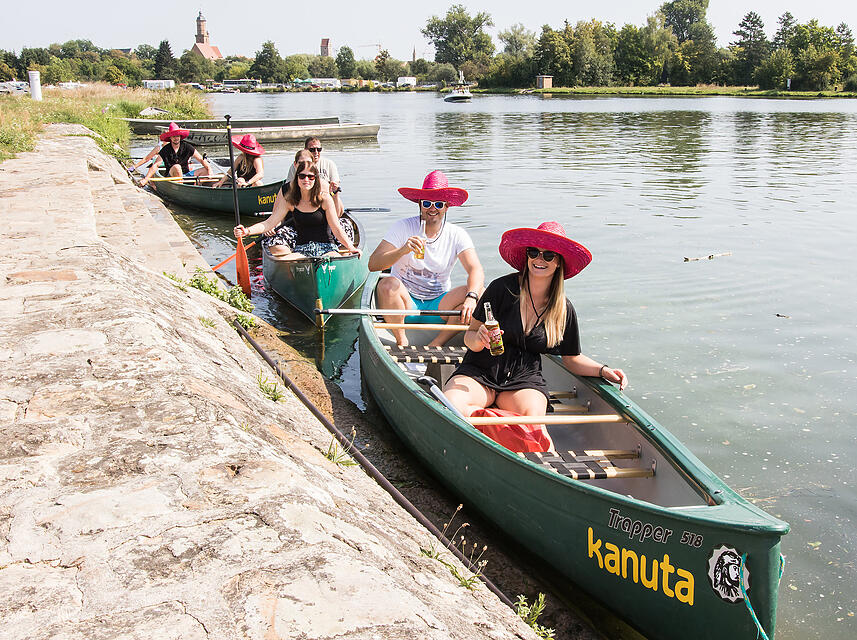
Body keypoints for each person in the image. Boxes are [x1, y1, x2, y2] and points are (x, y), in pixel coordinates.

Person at [443, 221, 628, 425]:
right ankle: (495, 424)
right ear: (527, 256)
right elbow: (470, 336)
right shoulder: (501, 289)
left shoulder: (563, 309)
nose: (540, 259)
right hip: (480, 370)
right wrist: (478, 339)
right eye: (533, 252)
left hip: (524, 379)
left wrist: (604, 370)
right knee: (451, 404)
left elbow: (572, 358)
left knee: (532, 422)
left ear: (559, 262)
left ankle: (493, 423)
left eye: (548, 255)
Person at [367, 170, 484, 347]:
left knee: (478, 291)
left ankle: (436, 343)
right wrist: (402, 251)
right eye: (427, 203)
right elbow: (373, 264)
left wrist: (471, 297)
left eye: (438, 204)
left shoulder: (457, 234)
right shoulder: (403, 227)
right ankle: (401, 340)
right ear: (420, 204)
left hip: (440, 305)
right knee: (387, 284)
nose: (432, 208)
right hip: (406, 303)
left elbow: (475, 269)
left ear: (446, 206)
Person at [233, 160, 359, 259]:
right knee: (284, 261)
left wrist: (351, 247)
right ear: (297, 178)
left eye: (311, 177)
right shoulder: (290, 201)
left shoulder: (325, 199)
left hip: (327, 249)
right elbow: (268, 224)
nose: (306, 180)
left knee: (335, 259)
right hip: (301, 250)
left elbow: (336, 229)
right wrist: (247, 231)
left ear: (316, 179)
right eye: (302, 176)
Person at [138, 122, 211, 187]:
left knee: (206, 169)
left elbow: (201, 159)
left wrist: (209, 170)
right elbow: (156, 165)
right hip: (172, 176)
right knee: (177, 167)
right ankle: (183, 188)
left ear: (180, 137)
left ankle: (197, 187)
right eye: (174, 136)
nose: (176, 138)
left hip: (186, 176)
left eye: (177, 136)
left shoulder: (187, 146)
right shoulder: (165, 149)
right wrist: (146, 179)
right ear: (170, 137)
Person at [286, 137, 343, 215]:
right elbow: (289, 188)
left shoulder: (329, 164)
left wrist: (334, 194)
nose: (316, 152)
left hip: (326, 199)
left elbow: (335, 186)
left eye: (319, 149)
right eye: (312, 150)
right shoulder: (295, 167)